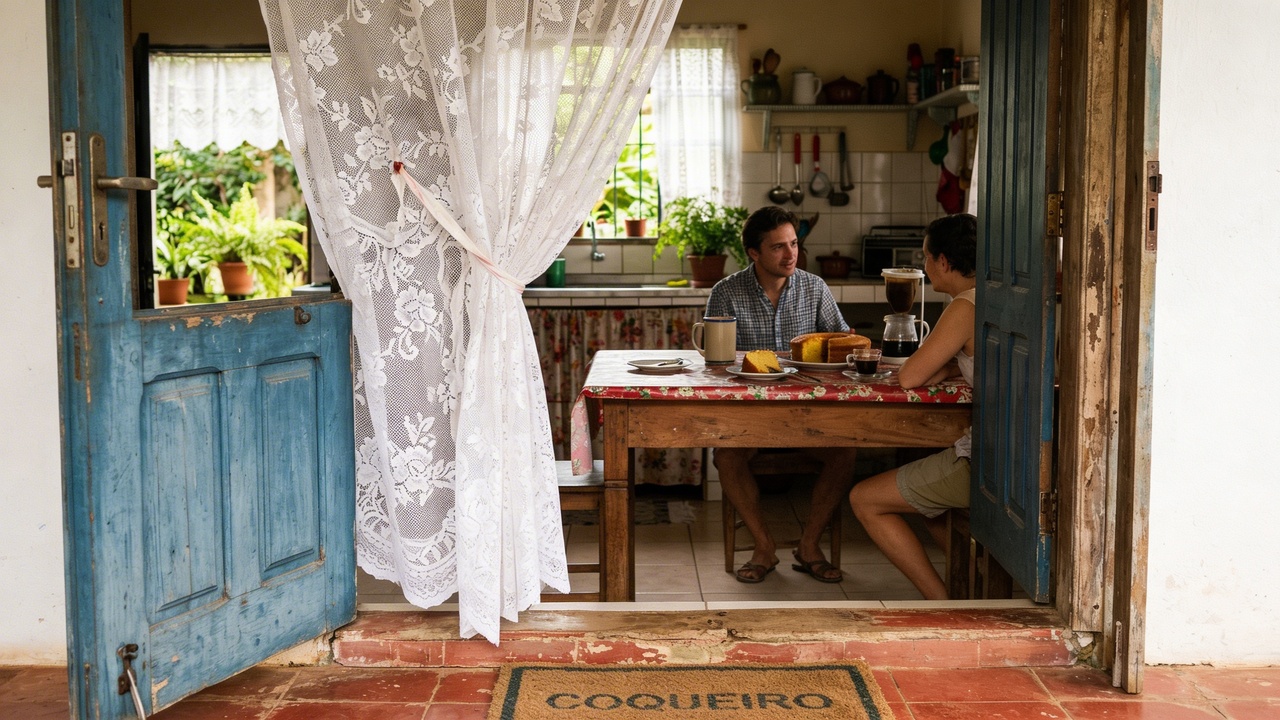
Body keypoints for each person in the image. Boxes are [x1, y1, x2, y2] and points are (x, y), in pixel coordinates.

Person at [705, 206, 856, 584]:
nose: (791, 255)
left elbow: (844, 346)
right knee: (727, 457)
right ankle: (764, 547)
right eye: (778, 248)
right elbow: (716, 366)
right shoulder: (725, 292)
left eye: (793, 244)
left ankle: (809, 545)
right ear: (754, 253)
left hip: (808, 415)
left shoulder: (815, 287)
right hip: (748, 416)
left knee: (846, 452)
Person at [847, 213, 978, 600]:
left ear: (943, 261)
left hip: (987, 461)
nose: (923, 266)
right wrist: (953, 363)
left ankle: (942, 606)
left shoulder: (964, 306)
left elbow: (908, 377)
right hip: (1015, 454)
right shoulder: (997, 294)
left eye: (924, 257)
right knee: (927, 502)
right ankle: (972, 584)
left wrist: (938, 365)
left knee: (864, 499)